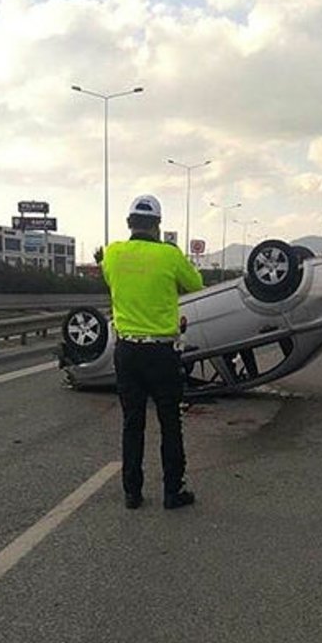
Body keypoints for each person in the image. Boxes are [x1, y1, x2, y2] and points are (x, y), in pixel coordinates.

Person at [102, 194, 204, 509]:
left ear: (129, 223)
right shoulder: (169, 256)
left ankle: (132, 493)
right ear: (157, 225)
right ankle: (173, 491)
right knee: (170, 421)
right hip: (161, 353)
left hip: (127, 351)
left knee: (132, 422)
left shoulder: (113, 254)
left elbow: (110, 281)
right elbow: (196, 284)